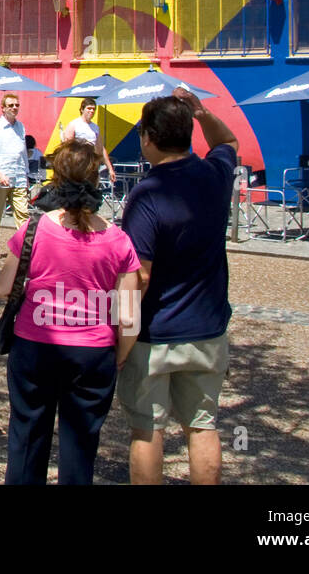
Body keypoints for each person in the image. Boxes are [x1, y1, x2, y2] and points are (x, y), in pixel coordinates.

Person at [0, 140, 141, 485]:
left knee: (27, 437)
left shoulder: (34, 229)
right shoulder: (119, 240)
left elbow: (2, 288)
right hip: (92, 352)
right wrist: (119, 354)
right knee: (80, 445)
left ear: (56, 179)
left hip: (35, 345)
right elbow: (130, 316)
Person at [118, 89, 237, 485]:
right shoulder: (216, 174)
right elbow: (228, 142)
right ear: (188, 133)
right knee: (202, 425)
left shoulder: (146, 195)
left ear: (148, 138)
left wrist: (123, 335)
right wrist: (202, 112)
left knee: (148, 428)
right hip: (207, 325)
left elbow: (141, 275)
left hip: (156, 333)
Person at [0, 92, 30, 259]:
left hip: (18, 175)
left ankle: (24, 247)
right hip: (0, 177)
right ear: (3, 108)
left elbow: (23, 152)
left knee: (23, 213)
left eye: (16, 105)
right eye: (11, 105)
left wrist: (25, 174)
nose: (14, 108)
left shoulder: (21, 127)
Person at [60, 97, 116, 184]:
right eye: (89, 108)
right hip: (76, 165)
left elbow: (101, 149)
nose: (91, 111)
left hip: (91, 165)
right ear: (82, 109)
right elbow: (66, 147)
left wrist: (110, 169)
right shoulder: (74, 124)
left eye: (93, 109)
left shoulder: (95, 128)